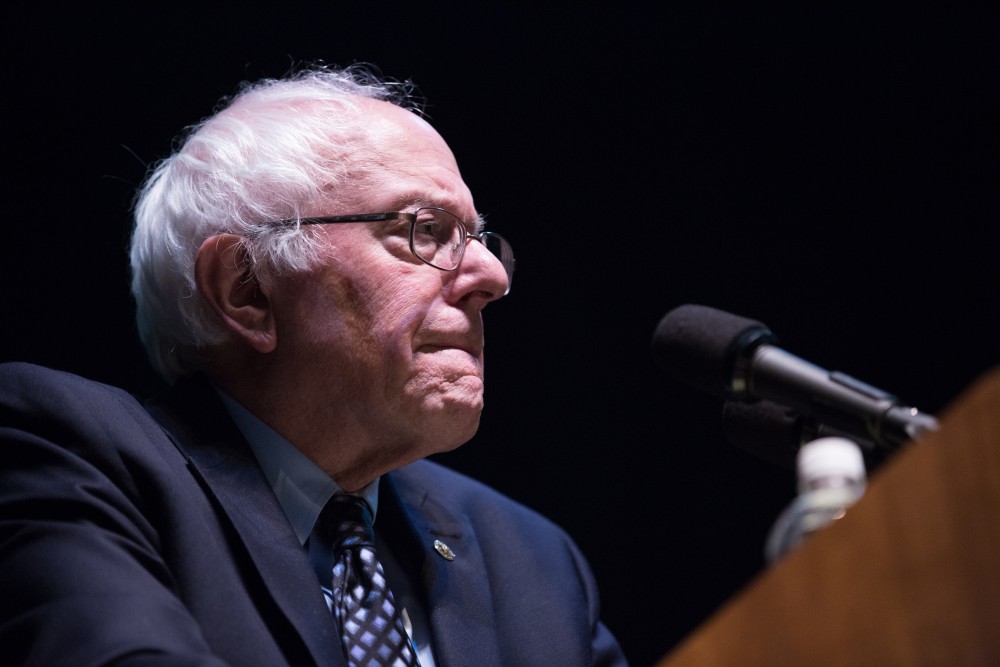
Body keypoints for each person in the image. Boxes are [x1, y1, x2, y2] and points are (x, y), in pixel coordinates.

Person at [0, 63, 627, 666]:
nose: (490, 276)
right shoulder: (66, 455)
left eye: (479, 238)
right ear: (247, 289)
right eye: (425, 229)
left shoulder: (532, 561)